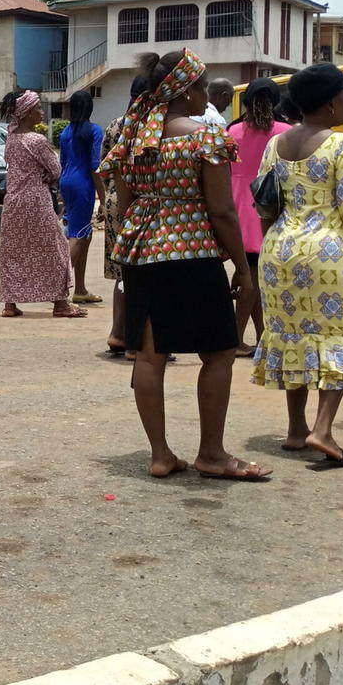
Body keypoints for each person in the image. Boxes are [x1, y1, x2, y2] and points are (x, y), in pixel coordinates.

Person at [100, 47, 267, 481]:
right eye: (203, 84)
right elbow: (222, 210)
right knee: (219, 353)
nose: (206, 92)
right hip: (192, 250)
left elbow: (127, 200)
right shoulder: (203, 137)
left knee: (150, 356)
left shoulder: (134, 138)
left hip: (142, 252)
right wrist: (243, 270)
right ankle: (211, 453)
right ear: (186, 89)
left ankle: (160, 454)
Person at [252, 61, 343, 466]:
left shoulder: (276, 145)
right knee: (334, 338)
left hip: (279, 249)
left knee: (291, 335)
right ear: (330, 103)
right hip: (328, 253)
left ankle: (296, 429)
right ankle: (322, 430)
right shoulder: (342, 145)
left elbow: (265, 203)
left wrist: (274, 246)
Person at [0, 90, 82, 319]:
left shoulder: (12, 139)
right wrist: (48, 175)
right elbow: (55, 170)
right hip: (36, 201)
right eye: (37, 109)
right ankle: (60, 303)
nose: (41, 113)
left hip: (13, 201)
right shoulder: (38, 140)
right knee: (55, 249)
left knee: (13, 252)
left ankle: (10, 304)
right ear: (25, 113)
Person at [225, 78, 291, 357]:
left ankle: (261, 336)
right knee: (255, 280)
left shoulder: (233, 130)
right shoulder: (285, 132)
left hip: (237, 208)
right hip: (269, 211)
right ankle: (238, 338)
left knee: (249, 275)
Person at [100, 75, 149, 358]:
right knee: (144, 272)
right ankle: (135, 339)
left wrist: (103, 199)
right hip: (143, 203)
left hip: (114, 201)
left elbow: (103, 168)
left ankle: (117, 332)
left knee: (123, 271)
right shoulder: (152, 128)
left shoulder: (115, 125)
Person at [59, 90, 105, 304]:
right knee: (78, 236)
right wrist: (103, 200)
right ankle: (59, 290)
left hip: (66, 182)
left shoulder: (66, 132)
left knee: (84, 235)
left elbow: (62, 163)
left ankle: (80, 289)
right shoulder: (95, 131)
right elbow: (96, 167)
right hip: (82, 183)